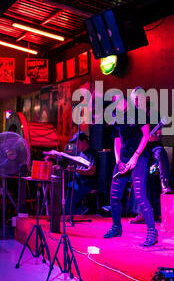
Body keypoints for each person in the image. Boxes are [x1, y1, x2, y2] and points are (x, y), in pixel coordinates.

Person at [104, 94, 158, 247]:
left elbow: (146, 136)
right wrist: (118, 161)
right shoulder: (117, 118)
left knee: (140, 195)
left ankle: (152, 233)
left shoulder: (139, 113)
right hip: (123, 158)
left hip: (140, 157)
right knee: (114, 195)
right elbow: (117, 141)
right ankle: (116, 227)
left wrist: (135, 157)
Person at [64, 132, 99, 215]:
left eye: (77, 142)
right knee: (63, 190)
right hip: (78, 183)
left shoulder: (93, 154)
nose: (76, 145)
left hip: (87, 184)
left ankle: (72, 216)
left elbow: (91, 171)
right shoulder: (80, 154)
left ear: (84, 141)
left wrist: (75, 170)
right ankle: (72, 214)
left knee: (70, 197)